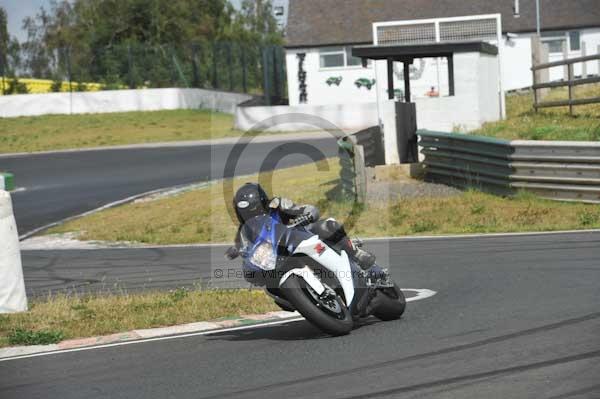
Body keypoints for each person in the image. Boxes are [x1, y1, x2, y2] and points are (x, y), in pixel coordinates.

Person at [225, 182, 376, 270]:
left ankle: (356, 253)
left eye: (254, 210)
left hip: (301, 238)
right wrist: (237, 252)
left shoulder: (278, 205)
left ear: (263, 203)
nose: (252, 217)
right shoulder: (244, 231)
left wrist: (306, 215)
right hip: (278, 259)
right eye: (245, 213)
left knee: (327, 226)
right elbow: (243, 250)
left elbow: (304, 209)